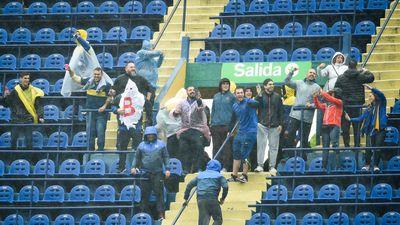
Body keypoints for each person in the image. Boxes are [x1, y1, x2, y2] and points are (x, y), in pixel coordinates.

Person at [110, 62, 153, 172]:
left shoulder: (140, 94)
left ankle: (137, 167)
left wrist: (148, 117)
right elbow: (113, 104)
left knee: (138, 146)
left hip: (136, 123)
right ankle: (121, 167)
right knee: (122, 146)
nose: (133, 68)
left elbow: (149, 92)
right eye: (131, 67)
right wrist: (117, 110)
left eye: (134, 67)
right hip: (123, 122)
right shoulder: (120, 92)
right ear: (126, 69)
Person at [67, 66, 112, 151]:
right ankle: (90, 152)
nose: (96, 76)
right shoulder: (88, 82)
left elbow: (110, 97)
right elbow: (75, 78)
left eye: (98, 74)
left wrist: (104, 106)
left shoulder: (107, 85)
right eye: (95, 74)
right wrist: (70, 70)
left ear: (101, 74)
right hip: (90, 113)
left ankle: (100, 151)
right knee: (90, 134)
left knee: (100, 133)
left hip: (101, 114)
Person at [131, 126, 170, 220]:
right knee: (144, 194)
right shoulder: (141, 145)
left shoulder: (161, 144)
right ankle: (143, 213)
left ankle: (161, 214)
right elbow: (137, 157)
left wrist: (167, 169)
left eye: (152, 135)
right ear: (146, 135)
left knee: (159, 194)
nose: (150, 136)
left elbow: (166, 157)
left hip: (158, 173)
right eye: (148, 135)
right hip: (145, 173)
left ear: (155, 135)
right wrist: (133, 167)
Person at [346, 85, 387, 172]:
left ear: (375, 96)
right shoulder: (368, 108)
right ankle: (367, 165)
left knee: (378, 148)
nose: (369, 98)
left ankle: (376, 165)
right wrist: (350, 119)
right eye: (369, 97)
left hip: (380, 130)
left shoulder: (382, 104)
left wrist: (371, 88)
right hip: (370, 131)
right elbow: (361, 118)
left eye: (370, 96)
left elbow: (382, 95)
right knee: (368, 148)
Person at [335, 59, 375, 147]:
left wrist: (341, 99)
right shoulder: (360, 76)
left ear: (348, 66)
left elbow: (337, 91)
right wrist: (366, 71)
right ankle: (357, 145)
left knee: (345, 127)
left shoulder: (341, 77)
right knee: (357, 126)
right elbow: (371, 78)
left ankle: (347, 146)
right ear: (356, 66)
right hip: (358, 104)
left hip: (346, 105)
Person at [0, 73, 44, 150]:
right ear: (20, 79)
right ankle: (13, 159)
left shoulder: (33, 91)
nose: (27, 80)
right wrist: (5, 97)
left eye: (28, 78)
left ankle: (29, 159)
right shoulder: (15, 91)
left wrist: (40, 116)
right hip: (16, 119)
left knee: (29, 141)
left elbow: (38, 105)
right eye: (25, 78)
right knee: (13, 141)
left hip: (28, 119)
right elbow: (6, 104)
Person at [173, 86, 210, 174]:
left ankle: (198, 168)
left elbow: (201, 107)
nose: (192, 91)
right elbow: (175, 114)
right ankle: (185, 169)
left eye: (193, 90)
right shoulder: (181, 103)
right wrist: (176, 112)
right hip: (185, 129)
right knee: (183, 147)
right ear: (187, 92)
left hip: (198, 129)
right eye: (190, 90)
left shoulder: (200, 102)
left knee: (199, 146)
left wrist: (198, 100)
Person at [284, 67, 320, 158]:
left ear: (315, 76)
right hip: (295, 115)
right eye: (310, 72)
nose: (312, 74)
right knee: (289, 136)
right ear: (306, 74)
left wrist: (311, 105)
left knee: (304, 139)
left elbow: (320, 104)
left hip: (307, 118)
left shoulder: (317, 88)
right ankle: (289, 157)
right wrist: (291, 71)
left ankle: (303, 159)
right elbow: (286, 81)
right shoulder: (299, 82)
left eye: (314, 73)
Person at [183, 159, 228, 225]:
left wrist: (186, 198)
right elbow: (225, 186)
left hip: (201, 200)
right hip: (213, 199)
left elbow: (189, 185)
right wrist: (222, 198)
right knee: (218, 220)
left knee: (203, 223)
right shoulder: (219, 176)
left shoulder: (200, 175)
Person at [228, 87, 259, 183]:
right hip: (240, 131)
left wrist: (259, 95)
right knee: (236, 152)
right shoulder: (234, 105)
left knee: (245, 153)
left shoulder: (249, 102)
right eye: (238, 93)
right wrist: (230, 131)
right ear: (235, 94)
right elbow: (233, 119)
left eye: (241, 93)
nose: (240, 94)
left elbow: (257, 104)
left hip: (250, 131)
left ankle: (245, 175)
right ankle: (234, 175)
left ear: (244, 94)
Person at [254, 79, 283, 173]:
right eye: (270, 84)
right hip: (262, 125)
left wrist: (281, 124)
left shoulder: (277, 97)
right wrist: (259, 95)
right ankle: (260, 165)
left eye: (273, 84)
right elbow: (255, 106)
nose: (272, 86)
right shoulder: (260, 96)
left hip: (275, 126)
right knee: (261, 145)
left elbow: (281, 111)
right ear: (265, 86)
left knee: (274, 147)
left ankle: (272, 167)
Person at [313, 88, 343, 170]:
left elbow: (331, 98)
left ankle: (338, 167)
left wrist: (323, 92)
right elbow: (318, 105)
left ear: (336, 94)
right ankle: (323, 167)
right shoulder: (327, 105)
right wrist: (315, 97)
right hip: (325, 126)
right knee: (325, 147)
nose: (331, 94)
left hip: (334, 126)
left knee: (335, 146)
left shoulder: (339, 102)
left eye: (333, 93)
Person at [136, 40, 164, 125]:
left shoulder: (152, 58)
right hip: (142, 85)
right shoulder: (140, 54)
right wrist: (159, 52)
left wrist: (162, 57)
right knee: (140, 104)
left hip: (151, 86)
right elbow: (149, 53)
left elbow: (158, 64)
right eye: (151, 48)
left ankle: (149, 123)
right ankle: (138, 123)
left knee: (150, 105)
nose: (152, 49)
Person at [210, 78, 236, 172]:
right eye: (223, 84)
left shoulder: (232, 97)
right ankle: (215, 166)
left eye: (227, 84)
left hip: (227, 125)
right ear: (220, 85)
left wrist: (232, 127)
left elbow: (235, 112)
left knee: (226, 148)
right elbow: (213, 110)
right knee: (216, 146)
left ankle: (225, 167)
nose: (225, 85)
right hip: (215, 125)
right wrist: (211, 124)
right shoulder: (216, 96)